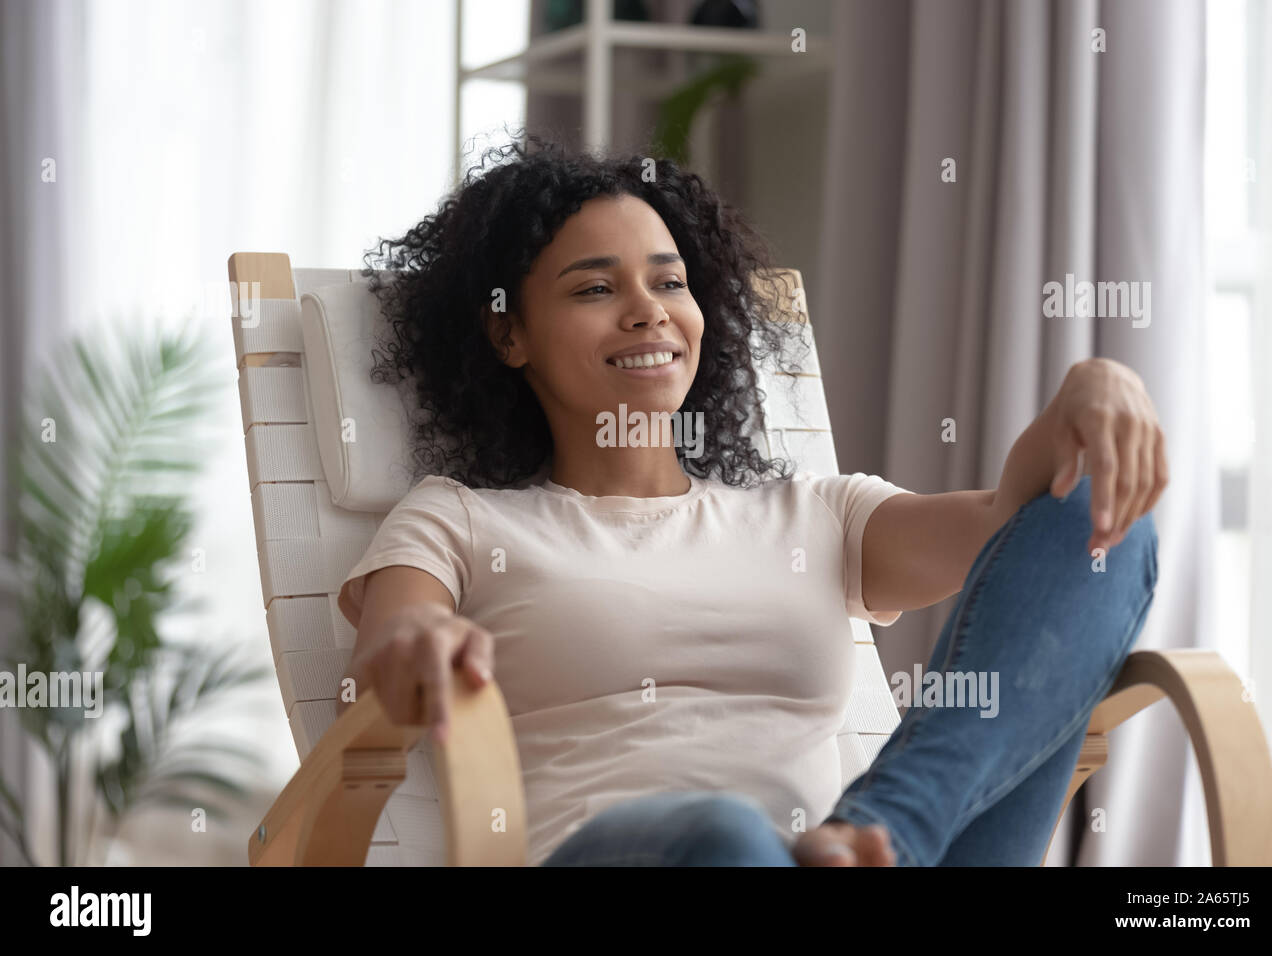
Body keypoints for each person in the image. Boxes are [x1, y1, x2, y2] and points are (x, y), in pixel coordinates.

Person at [334, 131, 1165, 867]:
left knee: (1103, 523)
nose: (647, 314)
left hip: (856, 851)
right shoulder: (463, 519)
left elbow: (1010, 532)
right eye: (596, 290)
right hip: (631, 855)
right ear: (509, 334)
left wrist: (1095, 387)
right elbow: (396, 636)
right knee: (726, 833)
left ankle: (887, 829)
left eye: (670, 283)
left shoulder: (813, 517)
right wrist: (420, 643)